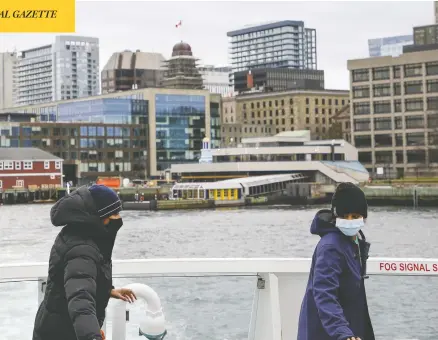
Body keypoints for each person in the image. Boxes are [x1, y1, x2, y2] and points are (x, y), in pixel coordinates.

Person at [33, 184, 137, 340]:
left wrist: (107, 291)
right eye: (114, 213)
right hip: (62, 333)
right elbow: (81, 303)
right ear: (101, 217)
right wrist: (92, 335)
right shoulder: (82, 249)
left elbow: (77, 283)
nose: (118, 218)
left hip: (59, 327)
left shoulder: (80, 234)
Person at [297, 182, 375, 340]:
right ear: (335, 216)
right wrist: (343, 333)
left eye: (355, 216)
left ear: (363, 217)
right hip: (329, 333)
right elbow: (324, 293)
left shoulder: (352, 243)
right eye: (344, 216)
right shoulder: (331, 246)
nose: (350, 220)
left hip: (346, 329)